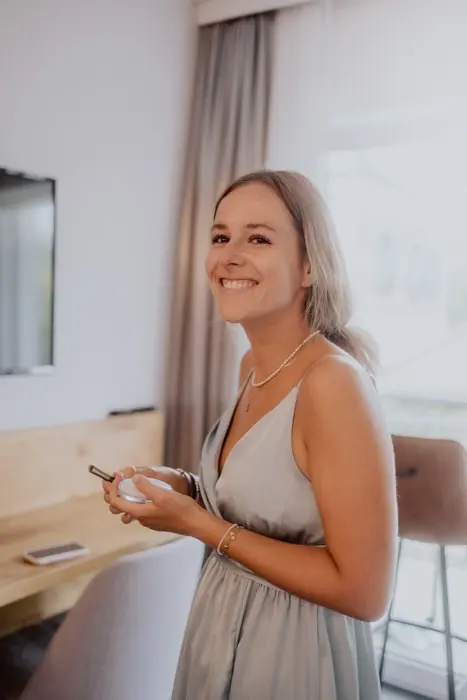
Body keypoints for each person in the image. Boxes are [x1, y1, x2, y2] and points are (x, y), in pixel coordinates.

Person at [103, 170, 397, 700]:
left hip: (292, 652)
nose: (229, 256)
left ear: (309, 266)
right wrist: (185, 487)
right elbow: (269, 499)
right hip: (219, 626)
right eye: (220, 237)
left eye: (258, 238)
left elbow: (365, 591)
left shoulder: (333, 384)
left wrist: (196, 523)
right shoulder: (252, 368)